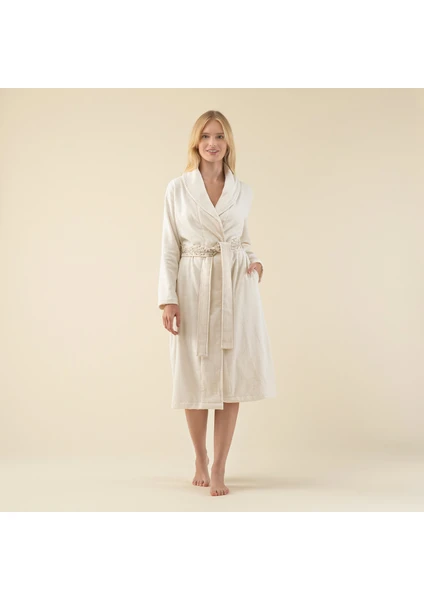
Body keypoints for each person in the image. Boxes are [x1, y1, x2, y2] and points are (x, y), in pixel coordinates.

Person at [158, 110, 277, 496]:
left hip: (235, 288)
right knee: (195, 375)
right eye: (206, 136)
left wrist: (254, 262)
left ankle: (220, 465)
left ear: (228, 143)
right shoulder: (178, 189)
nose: (213, 143)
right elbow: (169, 246)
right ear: (196, 142)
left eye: (220, 136)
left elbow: (243, 239)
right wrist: (168, 299)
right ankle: (200, 457)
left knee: (230, 379)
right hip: (193, 284)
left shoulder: (242, 191)